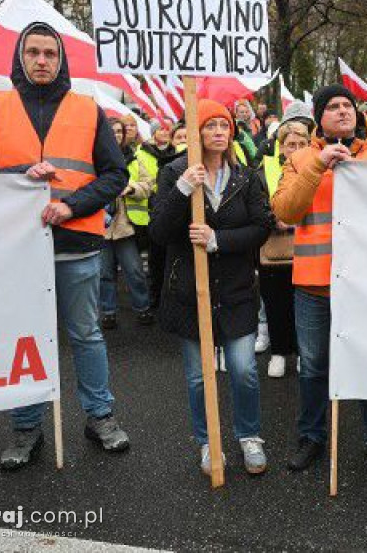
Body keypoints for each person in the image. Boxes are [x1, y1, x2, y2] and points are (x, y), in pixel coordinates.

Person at [0, 21, 131, 470]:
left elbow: (115, 175)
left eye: (49, 53)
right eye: (33, 52)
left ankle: (100, 416)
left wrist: (71, 206)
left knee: (87, 335)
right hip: (16, 249)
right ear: (19, 56)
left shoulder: (87, 108)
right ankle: (26, 426)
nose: (41, 61)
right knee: (24, 340)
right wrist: (18, 174)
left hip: (77, 244)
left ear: (61, 58)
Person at [272, 85, 367, 473]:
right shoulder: (300, 159)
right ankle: (311, 437)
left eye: (347, 105)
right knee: (313, 366)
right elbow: (286, 211)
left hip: (365, 285)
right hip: (314, 284)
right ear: (318, 117)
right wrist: (318, 165)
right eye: (333, 107)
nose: (343, 111)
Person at [150, 100, 274, 476]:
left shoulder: (247, 176)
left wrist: (219, 239)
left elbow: (261, 226)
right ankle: (209, 442)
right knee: (198, 375)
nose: (219, 131)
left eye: (224, 125)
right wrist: (183, 191)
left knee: (243, 369)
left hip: (236, 290)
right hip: (190, 292)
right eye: (210, 125)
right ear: (197, 132)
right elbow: (158, 232)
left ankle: (249, 435)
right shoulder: (174, 171)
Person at [258, 120, 312, 378]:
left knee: (305, 307)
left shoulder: (317, 168)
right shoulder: (264, 169)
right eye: (291, 144)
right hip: (275, 249)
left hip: (309, 248)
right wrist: (275, 217)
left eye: (302, 144)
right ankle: (279, 353)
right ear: (281, 147)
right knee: (275, 303)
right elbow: (257, 203)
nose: (297, 148)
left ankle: (303, 352)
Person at [100, 118, 153, 328]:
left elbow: (148, 185)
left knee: (135, 271)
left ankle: (143, 308)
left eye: (120, 132)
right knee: (104, 274)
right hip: (101, 227)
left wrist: (130, 188)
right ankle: (108, 312)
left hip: (125, 226)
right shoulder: (93, 157)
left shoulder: (133, 158)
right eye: (112, 131)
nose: (116, 135)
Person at [131, 119, 182, 310]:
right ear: (153, 133)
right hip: (149, 212)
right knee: (156, 260)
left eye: (168, 127)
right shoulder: (141, 153)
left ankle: (173, 299)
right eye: (161, 128)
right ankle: (157, 298)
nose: (165, 131)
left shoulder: (177, 153)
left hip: (174, 211)